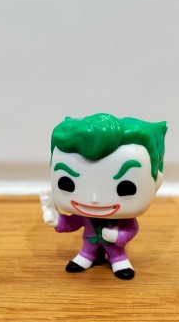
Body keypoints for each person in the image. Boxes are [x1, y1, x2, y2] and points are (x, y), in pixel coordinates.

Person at [40, 113, 167, 280]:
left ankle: (119, 261)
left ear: (157, 181)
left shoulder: (122, 218)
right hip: (88, 247)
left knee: (117, 256)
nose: (94, 199)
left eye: (125, 187)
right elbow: (72, 223)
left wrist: (117, 236)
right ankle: (87, 257)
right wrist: (56, 219)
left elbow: (131, 229)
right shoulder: (84, 215)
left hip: (116, 249)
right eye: (67, 183)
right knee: (86, 254)